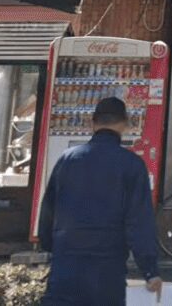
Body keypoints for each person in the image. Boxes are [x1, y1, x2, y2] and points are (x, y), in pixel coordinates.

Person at [38, 95, 162, 305]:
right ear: (125, 124)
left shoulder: (67, 159)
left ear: (92, 122)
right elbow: (139, 222)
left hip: (65, 263)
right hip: (107, 268)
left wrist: (50, 246)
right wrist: (150, 270)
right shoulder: (132, 165)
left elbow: (48, 210)